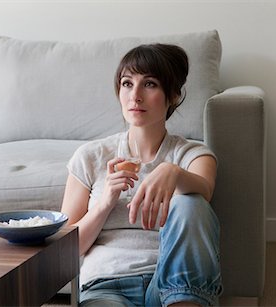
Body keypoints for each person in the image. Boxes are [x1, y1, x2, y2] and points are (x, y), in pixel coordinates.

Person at [61, 43, 222, 307]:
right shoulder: (90, 156)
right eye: (127, 83)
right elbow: (66, 249)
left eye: (149, 84)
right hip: (104, 283)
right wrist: (104, 203)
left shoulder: (193, 155)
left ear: (172, 96)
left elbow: (204, 190)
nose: (135, 96)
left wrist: (173, 173)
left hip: (170, 284)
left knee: (190, 201)